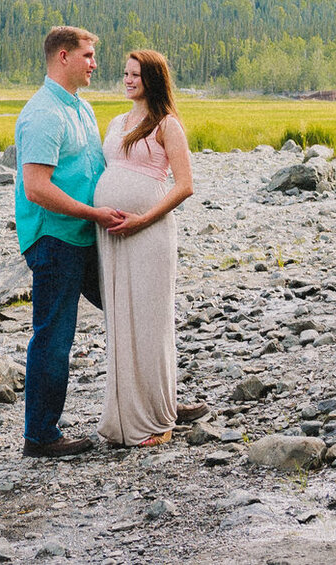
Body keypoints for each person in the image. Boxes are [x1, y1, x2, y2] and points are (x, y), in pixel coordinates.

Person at [13, 23, 127, 458]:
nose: (95, 64)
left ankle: (155, 404)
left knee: (130, 311)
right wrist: (93, 212)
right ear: (64, 57)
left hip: (85, 235)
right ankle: (40, 436)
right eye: (89, 55)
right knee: (54, 336)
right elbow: (36, 187)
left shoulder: (80, 107)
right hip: (56, 240)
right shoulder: (44, 113)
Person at [94, 48, 209, 445]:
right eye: (125, 73)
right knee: (120, 322)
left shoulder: (167, 125)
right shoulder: (115, 123)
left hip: (150, 233)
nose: (127, 80)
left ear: (152, 80)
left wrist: (142, 218)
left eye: (135, 75)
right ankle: (123, 417)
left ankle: (158, 420)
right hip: (111, 235)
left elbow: (184, 185)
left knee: (150, 322)